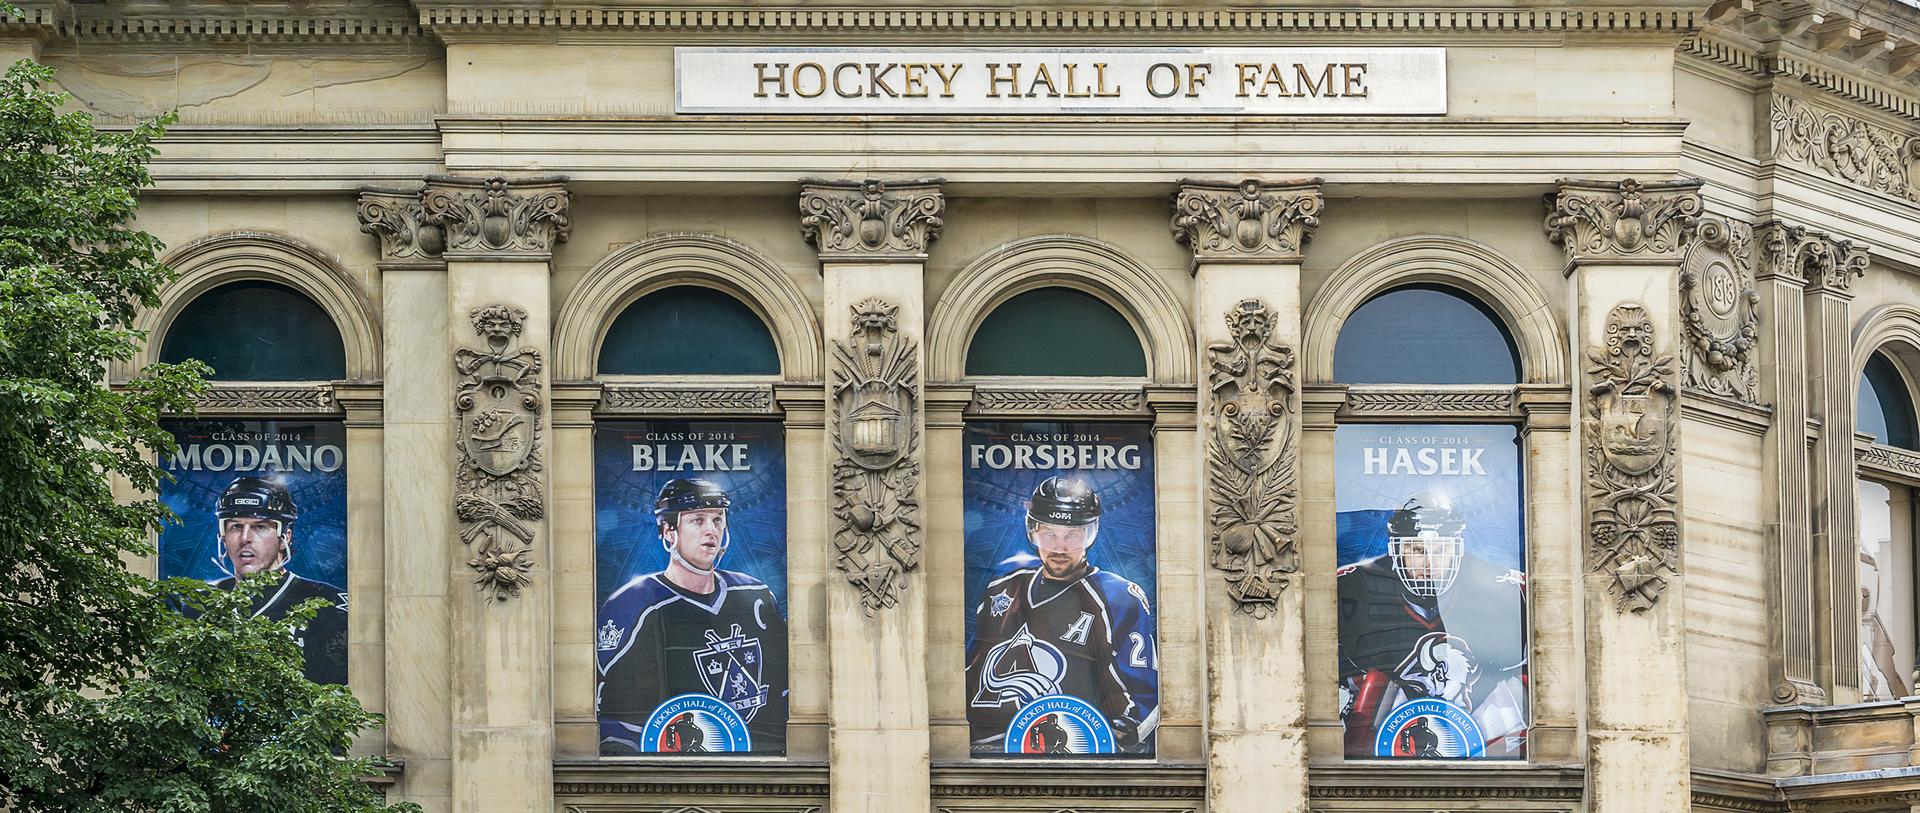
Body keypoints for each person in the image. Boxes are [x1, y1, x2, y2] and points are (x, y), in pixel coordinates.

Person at [965, 476, 1158, 754]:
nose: (1059, 547)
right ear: (1034, 532)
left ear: (1089, 534)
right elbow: (973, 675)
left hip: (1079, 750)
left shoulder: (1119, 597)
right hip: (994, 749)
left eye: (1072, 535)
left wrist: (1123, 739)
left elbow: (1143, 697)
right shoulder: (1003, 589)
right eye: (1049, 534)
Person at [596, 478, 788, 755]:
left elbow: (785, 686)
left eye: (717, 520)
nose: (711, 530)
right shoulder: (633, 605)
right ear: (668, 531)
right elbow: (611, 715)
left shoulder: (754, 593)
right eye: (698, 520)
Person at [1336, 491, 1528, 758]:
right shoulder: (1348, 590)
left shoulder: (1507, 593)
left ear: (1457, 549)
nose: (1428, 562)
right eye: (1417, 550)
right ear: (1396, 549)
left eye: (1440, 550)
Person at [209, 476, 349, 685]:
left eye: (260, 527)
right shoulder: (200, 604)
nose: (245, 538)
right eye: (236, 526)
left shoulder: (330, 605)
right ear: (223, 535)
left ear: (286, 537)